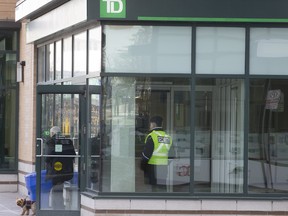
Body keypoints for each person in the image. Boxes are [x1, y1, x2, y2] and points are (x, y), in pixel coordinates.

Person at [45, 126, 76, 209]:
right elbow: (73, 155)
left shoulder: (51, 141)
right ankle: (58, 206)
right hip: (67, 170)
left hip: (56, 170)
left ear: (52, 133)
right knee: (59, 188)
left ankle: (58, 207)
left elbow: (48, 156)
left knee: (56, 189)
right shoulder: (68, 141)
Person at [140, 116, 173, 192]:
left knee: (153, 189)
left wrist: (142, 166)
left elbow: (146, 155)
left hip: (152, 167)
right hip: (164, 167)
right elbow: (172, 155)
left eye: (150, 124)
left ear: (153, 124)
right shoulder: (168, 137)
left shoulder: (152, 136)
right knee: (162, 188)